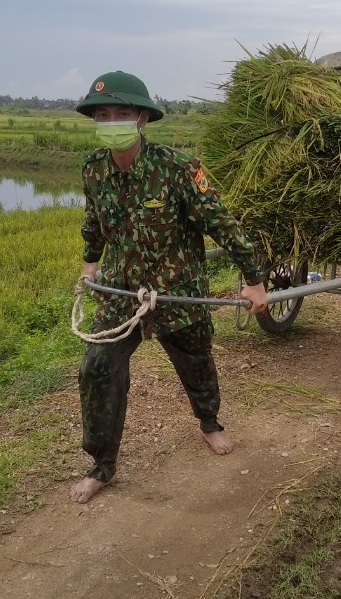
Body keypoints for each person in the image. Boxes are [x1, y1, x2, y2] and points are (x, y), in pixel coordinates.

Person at [71, 71, 268, 504]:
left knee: (195, 362)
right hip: (121, 292)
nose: (111, 121)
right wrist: (90, 263)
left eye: (121, 113)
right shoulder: (94, 169)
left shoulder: (177, 168)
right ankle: (102, 466)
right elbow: (93, 220)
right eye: (102, 114)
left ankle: (210, 423)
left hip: (177, 290)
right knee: (97, 368)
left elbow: (221, 222)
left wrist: (255, 281)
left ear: (141, 118)